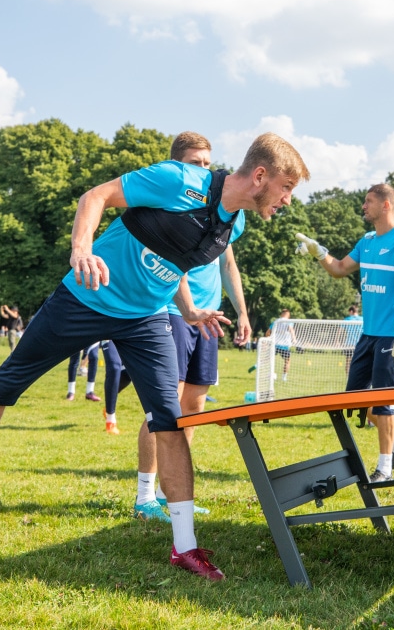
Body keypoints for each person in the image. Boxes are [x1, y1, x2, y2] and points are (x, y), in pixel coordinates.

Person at [0, 132, 310, 582]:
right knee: (6, 385)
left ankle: (185, 546)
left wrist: (190, 310)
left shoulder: (233, 224)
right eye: (286, 188)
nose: (287, 200)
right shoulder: (179, 181)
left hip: (146, 319)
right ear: (260, 176)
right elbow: (95, 196)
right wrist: (81, 249)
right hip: (87, 298)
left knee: (170, 419)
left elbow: (174, 264)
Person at [132, 131, 251, 522]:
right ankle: (144, 497)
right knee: (164, 406)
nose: (203, 170)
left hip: (209, 318)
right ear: (177, 165)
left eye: (207, 162)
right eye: (195, 163)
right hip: (170, 311)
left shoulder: (226, 205)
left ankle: (172, 492)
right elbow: (173, 258)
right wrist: (188, 307)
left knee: (194, 405)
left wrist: (244, 312)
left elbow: (228, 263)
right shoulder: (171, 200)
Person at [295, 183, 394, 483]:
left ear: (386, 206)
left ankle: (385, 468)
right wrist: (319, 252)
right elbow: (339, 268)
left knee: (383, 402)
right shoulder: (366, 242)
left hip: (392, 336)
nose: (363, 206)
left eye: (368, 201)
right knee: (355, 400)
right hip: (367, 334)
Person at [266, 309, 295, 381]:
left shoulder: (276, 321)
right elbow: (291, 329)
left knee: (271, 360)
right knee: (287, 361)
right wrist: (294, 338)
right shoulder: (289, 322)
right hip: (284, 345)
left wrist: (268, 340)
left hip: (274, 344)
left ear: (281, 314)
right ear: (288, 315)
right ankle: (284, 377)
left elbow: (267, 332)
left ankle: (271, 374)